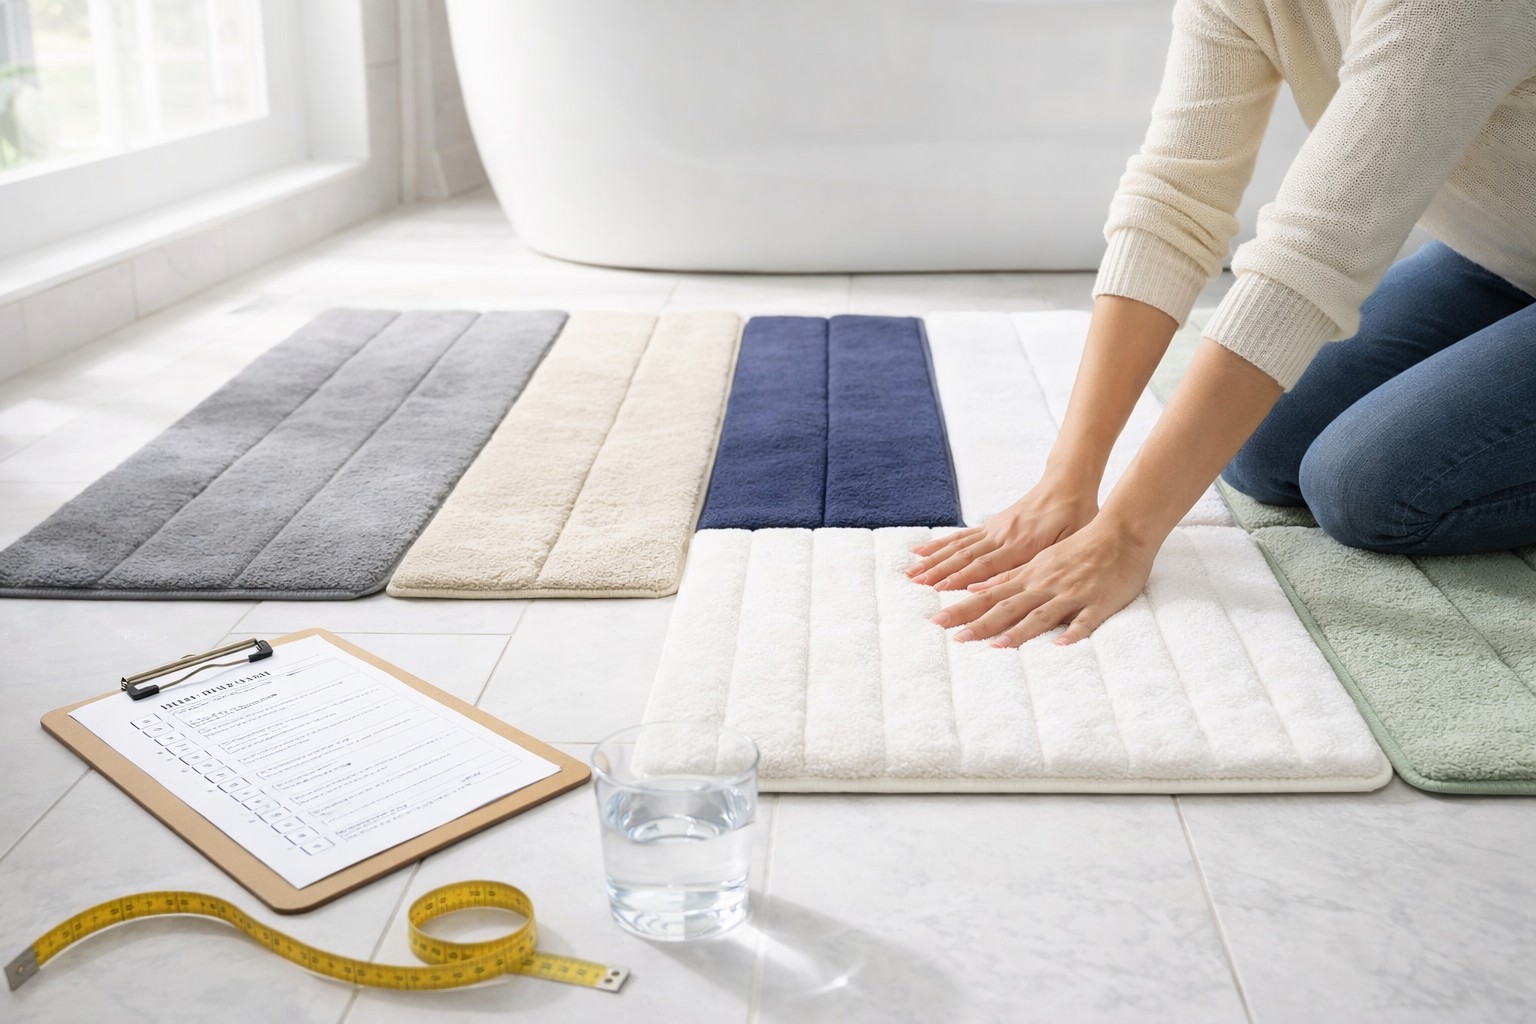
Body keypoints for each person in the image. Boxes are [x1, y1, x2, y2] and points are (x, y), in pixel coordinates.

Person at [909, 0, 1536, 648]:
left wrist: (1126, 535)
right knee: (1258, 443)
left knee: (1366, 488)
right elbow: (1177, 197)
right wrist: (1068, 480)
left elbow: (1313, 252)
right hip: (1501, 255)